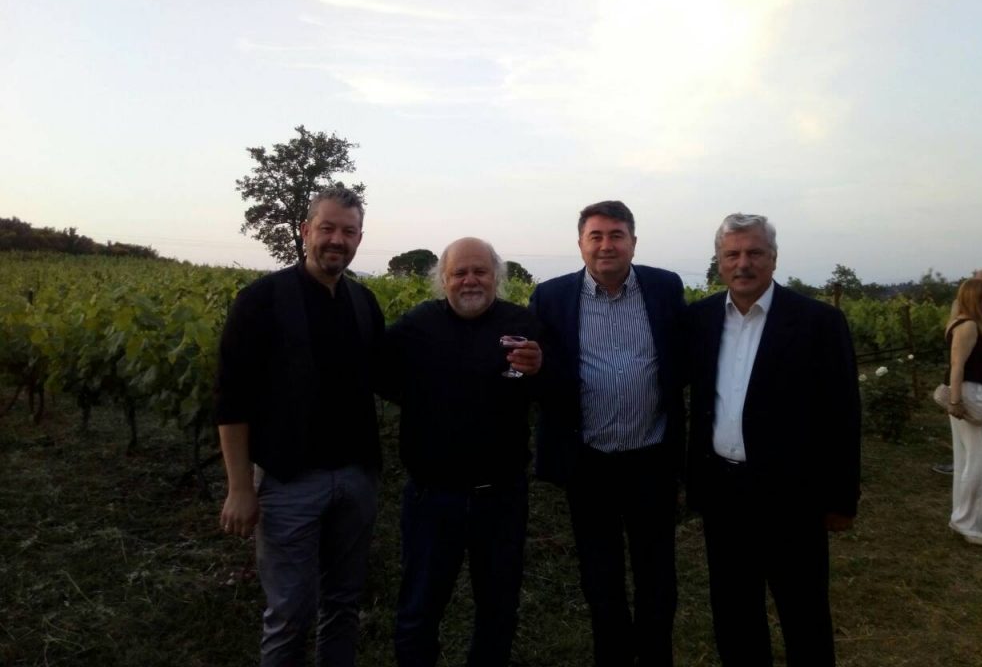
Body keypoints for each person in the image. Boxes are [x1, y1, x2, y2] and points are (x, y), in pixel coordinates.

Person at [215, 186, 384, 667]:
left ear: (359, 238)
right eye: (327, 228)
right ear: (306, 231)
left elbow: (387, 376)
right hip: (289, 482)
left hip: (356, 478)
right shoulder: (261, 300)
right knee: (290, 612)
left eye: (348, 231)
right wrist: (239, 487)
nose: (337, 240)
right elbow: (231, 399)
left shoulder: (363, 302)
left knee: (343, 604)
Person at [685, 213, 860, 667]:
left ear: (774, 258)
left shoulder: (818, 321)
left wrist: (841, 499)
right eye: (732, 254)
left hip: (793, 496)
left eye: (754, 253)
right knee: (734, 612)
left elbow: (842, 413)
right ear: (719, 261)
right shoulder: (701, 319)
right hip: (724, 492)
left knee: (803, 612)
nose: (743, 263)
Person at [529, 200, 686, 667]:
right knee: (600, 577)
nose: (606, 245)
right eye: (595, 236)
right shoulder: (551, 297)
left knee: (657, 573)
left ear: (633, 242)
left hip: (651, 457)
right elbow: (545, 373)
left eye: (616, 235)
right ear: (580, 244)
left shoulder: (664, 287)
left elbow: (681, 356)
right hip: (589, 462)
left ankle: (655, 657)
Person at [380, 237, 543, 667]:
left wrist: (540, 370)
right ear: (443, 279)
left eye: (480, 271)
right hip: (432, 498)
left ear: (496, 277)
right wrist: (421, 402)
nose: (470, 280)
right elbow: (379, 372)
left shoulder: (523, 323)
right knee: (419, 611)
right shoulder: (418, 324)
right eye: (459, 273)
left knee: (498, 610)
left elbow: (551, 388)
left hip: (502, 497)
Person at [945, 276, 982, 545]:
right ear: (976, 299)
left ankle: (975, 521)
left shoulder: (970, 322)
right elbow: (957, 365)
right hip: (969, 394)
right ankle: (966, 522)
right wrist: (956, 401)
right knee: (980, 458)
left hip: (973, 394)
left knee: (977, 459)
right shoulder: (966, 326)